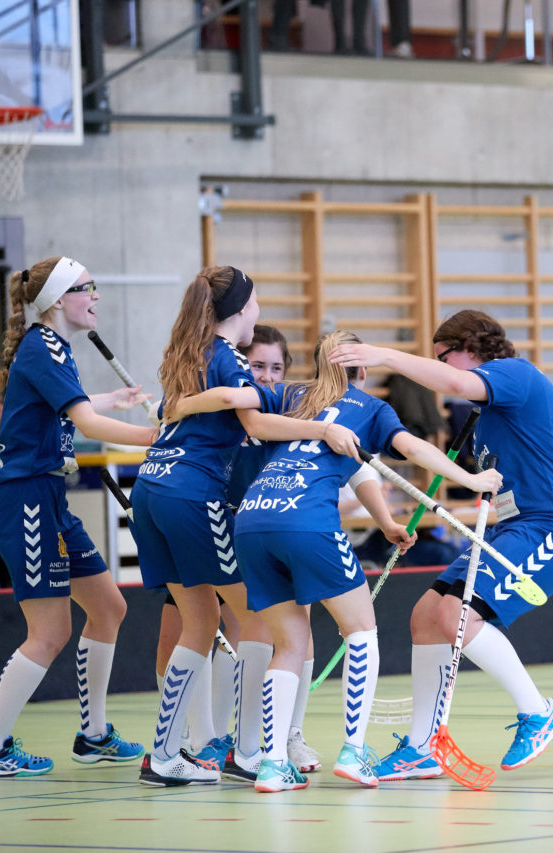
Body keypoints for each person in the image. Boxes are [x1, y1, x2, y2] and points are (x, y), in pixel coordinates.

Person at [182, 329, 502, 791]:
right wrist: (471, 481)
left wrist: (387, 522)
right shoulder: (371, 408)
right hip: (306, 522)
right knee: (361, 632)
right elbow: (413, 449)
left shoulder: (290, 393)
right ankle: (353, 752)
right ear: (363, 371)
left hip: (252, 522)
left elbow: (248, 410)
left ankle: (270, 764)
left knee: (288, 646)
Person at [330, 309, 553, 779]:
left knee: (456, 616)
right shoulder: (491, 412)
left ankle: (539, 711)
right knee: (427, 616)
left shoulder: (515, 374)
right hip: (511, 527)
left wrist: (386, 355)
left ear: (470, 348)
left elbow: (455, 384)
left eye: (446, 359)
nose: (443, 370)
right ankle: (422, 746)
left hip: (551, 527)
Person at [131, 267, 362, 787]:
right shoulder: (227, 356)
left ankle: (165, 755)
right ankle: (249, 749)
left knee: (198, 621)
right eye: (255, 299)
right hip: (192, 494)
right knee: (258, 617)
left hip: (150, 488)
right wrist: (323, 427)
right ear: (241, 310)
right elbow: (255, 420)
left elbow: (196, 409)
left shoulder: (187, 353)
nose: (259, 306)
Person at [0, 256, 157, 776]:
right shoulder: (43, 345)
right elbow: (84, 421)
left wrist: (110, 400)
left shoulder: (53, 348)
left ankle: (93, 734)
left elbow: (62, 405)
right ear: (57, 301)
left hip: (49, 499)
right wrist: (154, 436)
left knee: (109, 608)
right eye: (86, 287)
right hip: (25, 501)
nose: (95, 295)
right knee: (49, 632)